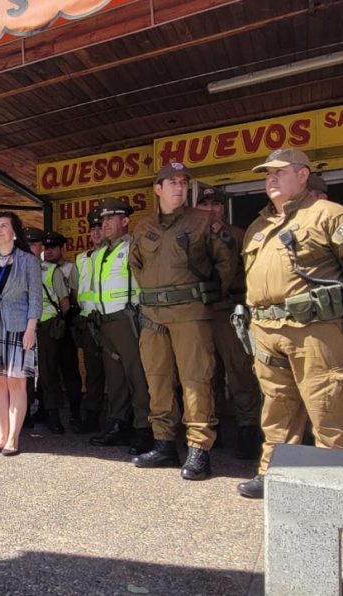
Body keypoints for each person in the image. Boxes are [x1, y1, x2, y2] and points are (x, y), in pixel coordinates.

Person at [237, 148, 343, 499]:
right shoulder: (258, 225)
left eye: (279, 172)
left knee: (327, 405)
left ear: (302, 175)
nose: (270, 178)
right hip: (267, 331)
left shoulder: (327, 214)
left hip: (314, 330)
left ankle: (334, 484)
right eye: (267, 173)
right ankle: (272, 475)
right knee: (277, 407)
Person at [130, 163, 235, 480]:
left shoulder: (204, 222)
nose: (178, 187)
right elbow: (137, 265)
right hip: (152, 317)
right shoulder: (143, 225)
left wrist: (208, 299)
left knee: (195, 381)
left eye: (182, 182)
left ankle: (199, 449)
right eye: (171, 182)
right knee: (157, 380)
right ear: (157, 188)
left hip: (191, 314)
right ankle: (164, 444)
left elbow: (227, 265)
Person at [195, 186, 263, 460]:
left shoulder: (238, 234)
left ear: (224, 208)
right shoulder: (192, 236)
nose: (211, 208)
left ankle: (247, 429)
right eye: (205, 203)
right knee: (206, 375)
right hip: (200, 314)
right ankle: (214, 428)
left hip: (229, 311)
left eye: (216, 204)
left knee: (239, 373)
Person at [0, 212, 42, 455]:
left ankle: (13, 438)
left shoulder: (28, 261)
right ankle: (1, 437)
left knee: (16, 383)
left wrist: (31, 328)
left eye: (4, 226)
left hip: (18, 327)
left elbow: (35, 299)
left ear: (14, 232)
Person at [88, 198, 152, 455]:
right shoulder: (101, 252)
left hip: (128, 320)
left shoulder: (134, 246)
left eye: (110, 219)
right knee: (115, 378)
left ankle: (144, 428)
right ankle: (118, 424)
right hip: (104, 322)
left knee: (137, 376)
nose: (104, 225)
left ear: (125, 221)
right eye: (102, 221)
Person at [26, 228, 72, 433]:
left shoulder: (52, 270)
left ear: (41, 247)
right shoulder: (17, 269)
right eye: (26, 245)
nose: (30, 248)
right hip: (23, 326)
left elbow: (64, 302)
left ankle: (53, 415)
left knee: (48, 371)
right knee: (23, 372)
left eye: (34, 244)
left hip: (46, 325)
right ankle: (24, 414)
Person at [41, 231, 85, 432]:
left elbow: (75, 294)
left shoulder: (69, 268)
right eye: (46, 248)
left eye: (53, 247)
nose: (49, 251)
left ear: (62, 248)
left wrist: (70, 318)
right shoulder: (43, 270)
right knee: (49, 371)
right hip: (49, 326)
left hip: (67, 325)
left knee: (70, 371)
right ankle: (51, 413)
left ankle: (76, 413)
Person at [74, 209, 106, 433]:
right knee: (93, 372)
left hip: (112, 319)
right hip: (89, 321)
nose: (95, 233)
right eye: (92, 229)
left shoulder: (117, 253)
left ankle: (122, 419)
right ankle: (93, 417)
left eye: (99, 228)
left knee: (120, 373)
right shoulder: (82, 258)